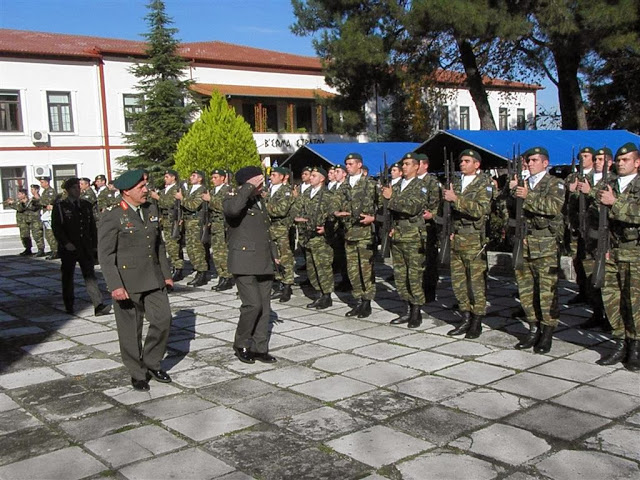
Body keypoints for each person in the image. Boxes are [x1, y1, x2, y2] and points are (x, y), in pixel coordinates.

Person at [98, 169, 173, 391]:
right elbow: (106, 255)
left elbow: (158, 244)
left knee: (163, 320)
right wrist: (115, 285)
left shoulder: (151, 208)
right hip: (127, 281)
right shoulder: (112, 215)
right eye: (141, 187)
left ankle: (151, 362)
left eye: (146, 186)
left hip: (153, 277)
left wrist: (166, 274)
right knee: (131, 330)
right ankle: (137, 372)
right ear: (126, 191)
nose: (146, 190)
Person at [223, 166, 278, 364]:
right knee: (252, 305)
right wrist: (247, 188)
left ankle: (259, 347)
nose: (262, 183)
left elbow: (266, 232)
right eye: (258, 180)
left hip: (264, 260)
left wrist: (275, 255)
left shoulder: (259, 200)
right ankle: (242, 343)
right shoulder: (233, 197)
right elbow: (232, 211)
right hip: (244, 260)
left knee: (264, 307)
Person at [513, 147, 565, 354]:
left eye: (535, 160)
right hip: (523, 244)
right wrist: (512, 192)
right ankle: (533, 329)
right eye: (528, 160)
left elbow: (554, 207)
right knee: (526, 292)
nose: (530, 163)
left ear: (545, 163)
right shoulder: (523, 183)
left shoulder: (555, 183)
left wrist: (528, 195)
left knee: (546, 293)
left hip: (545, 247)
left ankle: (547, 332)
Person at [596, 142, 640, 370]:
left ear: (637, 162)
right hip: (610, 249)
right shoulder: (609, 183)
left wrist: (616, 202)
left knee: (634, 302)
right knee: (611, 298)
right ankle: (620, 342)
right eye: (619, 160)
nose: (621, 163)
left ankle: (635, 346)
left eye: (626, 160)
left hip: (635, 252)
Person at [443, 150, 493, 339]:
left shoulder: (484, 184)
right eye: (461, 161)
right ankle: (465, 317)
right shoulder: (456, 183)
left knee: (476, 283)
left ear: (476, 164)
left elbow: (481, 209)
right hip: (457, 237)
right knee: (458, 282)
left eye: (466, 161)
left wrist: (456, 199)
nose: (462, 164)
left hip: (473, 238)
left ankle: (477, 320)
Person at [51, 177, 110, 316]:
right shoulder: (61, 206)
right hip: (69, 248)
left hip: (85, 247)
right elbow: (57, 227)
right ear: (67, 190)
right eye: (74, 188)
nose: (77, 190)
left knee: (90, 276)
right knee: (68, 277)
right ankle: (69, 305)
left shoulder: (86, 205)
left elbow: (91, 227)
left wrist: (95, 246)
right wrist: (66, 243)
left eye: (78, 187)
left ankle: (98, 305)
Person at [384, 152, 429, 328]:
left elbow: (412, 207)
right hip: (398, 235)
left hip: (413, 236)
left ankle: (416, 310)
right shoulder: (396, 186)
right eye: (403, 164)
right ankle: (407, 309)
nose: (404, 167)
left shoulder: (421, 185)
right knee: (400, 275)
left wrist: (391, 198)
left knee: (414, 275)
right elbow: (391, 210)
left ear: (417, 166)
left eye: (408, 164)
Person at [334, 153, 377, 318]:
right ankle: (358, 300)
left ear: (360, 165)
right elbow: (334, 203)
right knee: (352, 270)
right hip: (349, 233)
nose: (348, 166)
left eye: (351, 163)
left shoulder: (370, 184)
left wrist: (373, 218)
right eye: (347, 164)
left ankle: (367, 302)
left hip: (364, 233)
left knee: (365, 269)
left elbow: (382, 207)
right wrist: (336, 212)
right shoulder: (344, 186)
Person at [578, 147, 614, 331]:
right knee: (591, 279)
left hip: (606, 240)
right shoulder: (589, 179)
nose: (597, 162)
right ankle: (596, 313)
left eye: (601, 159)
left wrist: (590, 191)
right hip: (589, 237)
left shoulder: (612, 182)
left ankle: (611, 317)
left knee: (606, 281)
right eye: (597, 159)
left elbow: (605, 205)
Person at [295, 167, 337, 309]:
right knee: (311, 267)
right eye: (311, 175)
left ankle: (326, 296)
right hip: (307, 236)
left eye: (314, 175)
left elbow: (334, 217)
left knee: (323, 267)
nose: (311, 178)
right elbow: (299, 209)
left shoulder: (328, 195)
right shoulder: (307, 193)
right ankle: (318, 293)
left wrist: (328, 229)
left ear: (322, 178)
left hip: (321, 238)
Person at [564, 146, 596, 304]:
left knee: (589, 261)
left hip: (590, 226)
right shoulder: (572, 176)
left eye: (586, 155)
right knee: (577, 259)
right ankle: (582, 291)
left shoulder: (595, 177)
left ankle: (593, 295)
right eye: (581, 156)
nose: (583, 158)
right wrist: (568, 189)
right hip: (575, 225)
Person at [265, 166, 296, 302]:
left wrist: (264, 206)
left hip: (281, 229)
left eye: (275, 175)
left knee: (285, 258)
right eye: (271, 174)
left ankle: (287, 285)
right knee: (273, 257)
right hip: (269, 229)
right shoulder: (269, 190)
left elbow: (280, 210)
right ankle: (279, 283)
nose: (271, 177)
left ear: (283, 177)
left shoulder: (286, 191)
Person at [149, 169, 185, 281]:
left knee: (173, 245)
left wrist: (157, 197)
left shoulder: (176, 189)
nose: (165, 178)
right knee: (169, 245)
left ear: (173, 178)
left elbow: (170, 203)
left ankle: (178, 268)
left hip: (172, 219)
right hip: (165, 220)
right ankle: (174, 265)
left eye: (167, 176)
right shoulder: (165, 190)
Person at [175, 170, 209, 287]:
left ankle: (202, 273)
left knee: (197, 249)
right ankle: (198, 270)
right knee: (190, 249)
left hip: (196, 223)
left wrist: (182, 198)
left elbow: (194, 206)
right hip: (188, 223)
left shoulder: (201, 190)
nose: (191, 177)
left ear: (200, 179)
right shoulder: (190, 189)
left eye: (194, 176)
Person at [202, 169, 234, 292]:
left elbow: (226, 207)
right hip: (214, 225)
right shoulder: (213, 191)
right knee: (216, 252)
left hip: (222, 224)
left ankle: (227, 277)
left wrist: (211, 200)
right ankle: (222, 275)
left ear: (223, 178)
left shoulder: (228, 190)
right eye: (212, 177)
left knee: (222, 252)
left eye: (216, 177)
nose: (213, 180)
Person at [417, 154, 441, 303]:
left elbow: (439, 204)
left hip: (428, 227)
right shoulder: (410, 182)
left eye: (417, 163)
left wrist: (432, 215)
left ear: (425, 165)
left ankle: (429, 290)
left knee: (429, 260)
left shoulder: (432, 182)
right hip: (414, 228)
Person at [4, 188, 45, 256]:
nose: (18, 196)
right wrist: (11, 203)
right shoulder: (19, 201)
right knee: (24, 236)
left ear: (24, 194)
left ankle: (41, 250)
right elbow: (17, 206)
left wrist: (14, 203)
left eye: (19, 194)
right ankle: (27, 249)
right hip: (23, 221)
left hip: (34, 221)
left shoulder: (31, 201)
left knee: (37, 235)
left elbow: (22, 208)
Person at [38, 176, 59, 259]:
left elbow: (49, 201)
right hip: (46, 215)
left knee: (51, 234)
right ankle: (53, 250)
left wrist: (38, 199)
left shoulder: (51, 191)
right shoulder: (45, 191)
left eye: (42, 182)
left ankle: (56, 251)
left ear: (47, 182)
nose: (41, 184)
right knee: (48, 234)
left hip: (51, 215)